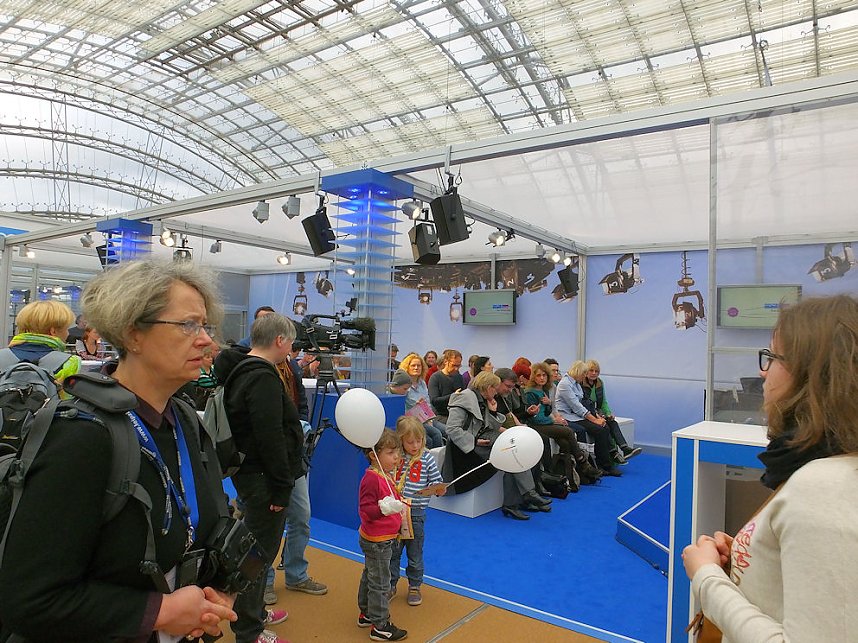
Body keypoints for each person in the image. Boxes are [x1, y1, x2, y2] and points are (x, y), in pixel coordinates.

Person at [0, 260, 237, 641]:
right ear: (133, 335)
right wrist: (160, 611)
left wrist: (215, 591)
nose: (207, 340)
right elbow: (30, 599)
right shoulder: (81, 436)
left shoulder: (184, 420)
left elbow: (205, 523)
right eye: (188, 325)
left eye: (206, 326)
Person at [682, 294, 858, 642]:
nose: (763, 371)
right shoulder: (833, 472)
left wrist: (706, 577)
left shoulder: (824, 486)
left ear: (811, 372)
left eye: (773, 357)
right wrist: (757, 555)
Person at [215, 313, 304, 643]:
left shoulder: (243, 371)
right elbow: (271, 437)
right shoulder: (261, 377)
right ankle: (249, 630)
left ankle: (252, 615)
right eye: (290, 342)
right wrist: (281, 488)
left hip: (254, 475)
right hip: (264, 479)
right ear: (280, 340)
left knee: (257, 551)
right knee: (258, 554)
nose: (292, 349)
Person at [444, 371, 551, 521]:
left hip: (482, 440)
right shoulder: (465, 398)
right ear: (487, 387)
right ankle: (525, 495)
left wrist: (493, 412)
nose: (496, 392)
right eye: (494, 388)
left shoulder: (481, 399)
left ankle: (521, 498)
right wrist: (473, 441)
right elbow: (452, 429)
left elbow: (489, 425)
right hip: (464, 448)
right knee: (513, 452)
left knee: (515, 450)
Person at [357, 430, 408, 642]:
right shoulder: (371, 479)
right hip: (377, 540)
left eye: (397, 452)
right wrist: (384, 509)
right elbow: (365, 510)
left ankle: (367, 612)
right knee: (381, 582)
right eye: (390, 453)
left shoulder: (385, 475)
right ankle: (380, 624)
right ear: (373, 455)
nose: (396, 457)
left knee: (371, 574)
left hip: (384, 538)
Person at [389, 416, 446, 607]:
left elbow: (436, 482)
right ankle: (390, 584)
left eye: (419, 440)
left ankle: (414, 585)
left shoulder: (428, 458)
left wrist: (439, 488)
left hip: (416, 513)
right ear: (400, 440)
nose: (415, 445)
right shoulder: (396, 457)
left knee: (415, 552)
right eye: (410, 441)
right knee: (393, 552)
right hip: (395, 512)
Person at [523, 362, 604, 480]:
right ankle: (583, 464)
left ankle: (568, 473)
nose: (542, 378)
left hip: (545, 423)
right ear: (533, 377)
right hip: (536, 426)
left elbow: (546, 412)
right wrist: (554, 421)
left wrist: (549, 405)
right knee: (568, 432)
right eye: (539, 375)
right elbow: (537, 418)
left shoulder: (543, 390)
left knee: (565, 443)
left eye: (544, 375)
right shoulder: (531, 392)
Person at [555, 360, 622, 477]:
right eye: (584, 373)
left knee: (605, 427)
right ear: (578, 372)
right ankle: (603, 465)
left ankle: (605, 464)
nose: (584, 376)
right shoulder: (565, 384)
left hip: (576, 415)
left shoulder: (576, 383)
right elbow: (577, 406)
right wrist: (595, 420)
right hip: (568, 416)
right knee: (600, 429)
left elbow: (585, 403)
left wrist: (597, 416)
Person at [6, 299, 80, 389]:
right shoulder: (69, 362)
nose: (68, 333)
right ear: (53, 331)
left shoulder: (2, 356)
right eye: (66, 329)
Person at [582, 360, 641, 461]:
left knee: (612, 422)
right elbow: (584, 404)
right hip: (587, 414)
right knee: (605, 425)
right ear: (586, 372)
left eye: (596, 371)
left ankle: (625, 448)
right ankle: (613, 453)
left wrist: (608, 413)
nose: (594, 373)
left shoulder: (600, 383)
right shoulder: (581, 384)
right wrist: (597, 416)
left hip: (597, 412)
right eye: (591, 370)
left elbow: (603, 402)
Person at [396, 352, 446, 448]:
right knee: (435, 435)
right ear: (407, 367)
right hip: (412, 420)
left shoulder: (422, 383)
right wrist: (416, 406)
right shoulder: (403, 385)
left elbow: (427, 402)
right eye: (413, 365)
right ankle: (432, 460)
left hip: (427, 418)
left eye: (418, 365)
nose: (416, 368)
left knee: (447, 431)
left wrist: (429, 418)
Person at [427, 349, 463, 421]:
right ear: (446, 362)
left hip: (457, 415)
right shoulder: (435, 377)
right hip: (441, 415)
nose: (456, 369)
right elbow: (434, 401)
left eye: (458, 366)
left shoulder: (459, 377)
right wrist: (453, 396)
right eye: (454, 365)